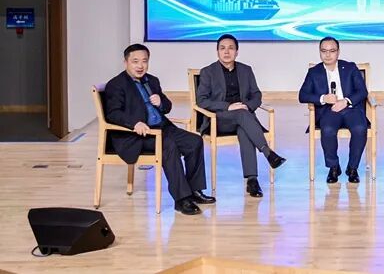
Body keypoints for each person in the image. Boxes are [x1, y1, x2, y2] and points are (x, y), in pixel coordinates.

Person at [103, 44, 215, 215]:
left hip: (162, 128)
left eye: (144, 61)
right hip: (137, 134)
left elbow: (167, 107)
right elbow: (113, 113)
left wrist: (161, 102)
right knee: (168, 145)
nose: (140, 66)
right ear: (125, 62)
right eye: (135, 61)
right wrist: (134, 123)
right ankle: (181, 199)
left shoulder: (152, 80)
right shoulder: (116, 84)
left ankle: (195, 190)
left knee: (194, 141)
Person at [195, 34, 286, 198]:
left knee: (244, 129)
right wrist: (228, 106)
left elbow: (256, 95)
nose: (226, 52)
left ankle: (252, 181)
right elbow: (201, 101)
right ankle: (268, 153)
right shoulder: (208, 72)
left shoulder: (246, 70)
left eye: (231, 48)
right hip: (219, 120)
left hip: (243, 119)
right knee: (243, 116)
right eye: (222, 48)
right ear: (217, 51)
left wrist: (247, 106)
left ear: (237, 52)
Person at [299, 37, 369, 184]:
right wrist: (323, 98)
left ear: (338, 52)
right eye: (324, 51)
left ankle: (352, 168)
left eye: (332, 51)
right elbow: (302, 95)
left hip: (350, 108)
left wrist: (346, 101)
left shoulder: (350, 67)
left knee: (360, 128)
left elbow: (362, 91)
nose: (328, 55)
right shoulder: (314, 72)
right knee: (328, 129)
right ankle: (334, 167)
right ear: (319, 52)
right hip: (328, 110)